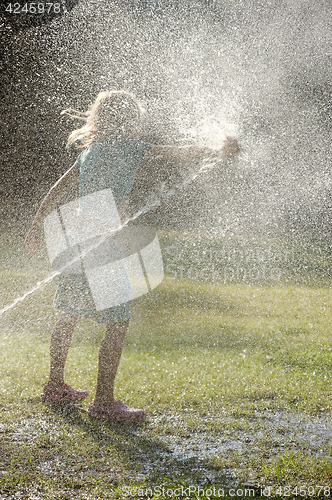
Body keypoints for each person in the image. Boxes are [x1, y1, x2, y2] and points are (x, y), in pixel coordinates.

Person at [24, 90, 240, 421]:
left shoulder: (91, 151)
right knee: (117, 322)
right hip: (104, 244)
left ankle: (55, 385)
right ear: (129, 119)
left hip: (76, 239)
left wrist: (36, 228)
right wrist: (217, 150)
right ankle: (104, 402)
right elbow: (178, 154)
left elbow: (56, 191)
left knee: (68, 314)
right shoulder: (131, 148)